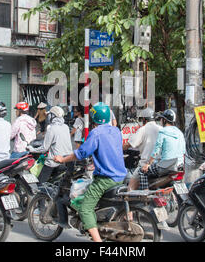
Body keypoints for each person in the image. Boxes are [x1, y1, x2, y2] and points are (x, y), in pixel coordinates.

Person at [54, 102, 127, 242]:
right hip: (121, 176)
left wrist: (62, 159)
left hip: (106, 179)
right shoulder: (116, 130)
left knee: (85, 209)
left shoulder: (96, 133)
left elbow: (80, 153)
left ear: (94, 118)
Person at [138, 109, 186, 191]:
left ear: (164, 120)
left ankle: (145, 197)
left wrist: (148, 164)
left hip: (167, 167)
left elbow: (156, 150)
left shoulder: (163, 131)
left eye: (161, 119)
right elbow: (183, 151)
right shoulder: (180, 133)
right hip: (180, 166)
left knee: (142, 171)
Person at [27, 106, 73, 183]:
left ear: (53, 116)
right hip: (68, 159)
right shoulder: (66, 127)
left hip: (54, 161)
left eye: (50, 115)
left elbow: (44, 148)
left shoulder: (52, 128)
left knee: (40, 184)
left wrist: (32, 149)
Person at [122, 107, 161, 191]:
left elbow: (129, 144)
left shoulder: (143, 130)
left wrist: (118, 149)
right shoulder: (161, 129)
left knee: (130, 189)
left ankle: (131, 202)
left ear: (144, 119)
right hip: (160, 165)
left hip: (146, 165)